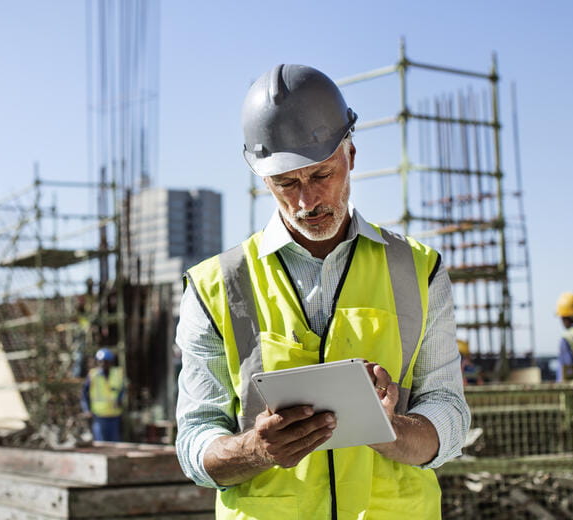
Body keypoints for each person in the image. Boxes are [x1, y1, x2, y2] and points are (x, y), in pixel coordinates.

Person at [175, 64, 470, 519]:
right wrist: (256, 449)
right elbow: (195, 440)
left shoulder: (419, 270)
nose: (306, 202)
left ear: (350, 154)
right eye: (286, 183)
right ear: (261, 178)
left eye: (321, 175)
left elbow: (449, 413)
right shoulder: (214, 286)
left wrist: (391, 428)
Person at [81, 347, 124, 441]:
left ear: (111, 362)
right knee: (100, 444)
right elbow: (84, 394)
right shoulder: (92, 376)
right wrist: (86, 410)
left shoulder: (118, 374)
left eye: (106, 362)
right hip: (99, 417)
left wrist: (120, 400)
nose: (103, 364)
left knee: (114, 445)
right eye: (101, 362)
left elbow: (122, 390)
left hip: (114, 416)